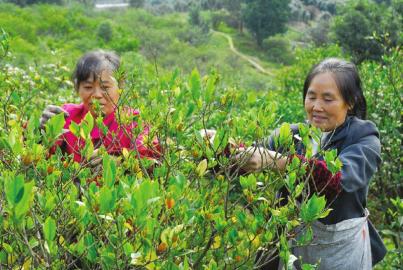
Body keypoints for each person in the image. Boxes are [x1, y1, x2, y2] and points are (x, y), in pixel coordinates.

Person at [237, 58, 386, 269]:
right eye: (311, 97)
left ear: (349, 101)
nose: (317, 107)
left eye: (328, 99)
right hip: (291, 246)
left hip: (341, 251)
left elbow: (336, 181)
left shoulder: (363, 137)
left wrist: (278, 162)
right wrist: (220, 148)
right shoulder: (293, 135)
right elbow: (249, 158)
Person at [40, 50, 160, 174]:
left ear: (120, 86)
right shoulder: (66, 116)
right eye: (88, 87)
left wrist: (121, 162)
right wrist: (43, 133)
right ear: (77, 88)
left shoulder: (136, 123)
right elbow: (40, 160)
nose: (97, 95)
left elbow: (153, 165)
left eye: (105, 87)